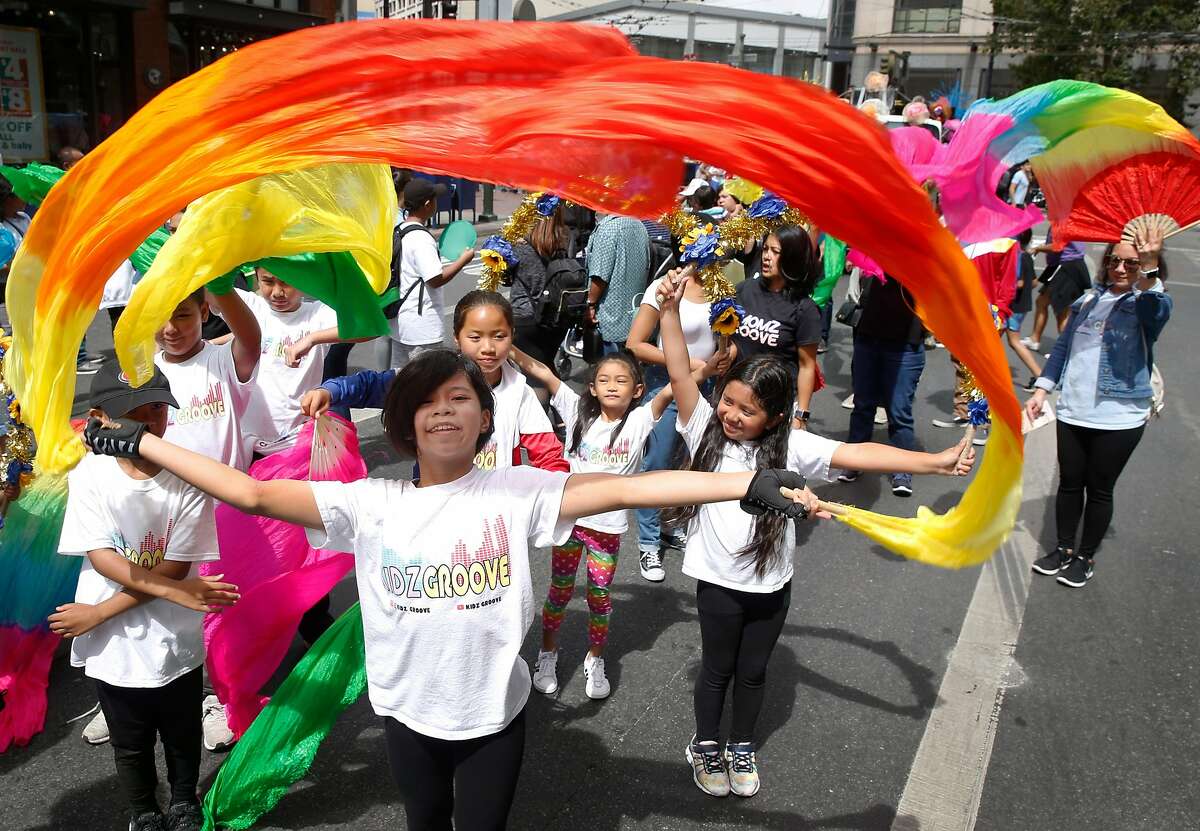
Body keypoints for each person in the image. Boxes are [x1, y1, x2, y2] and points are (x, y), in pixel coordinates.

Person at [82, 348, 809, 831]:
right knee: (426, 822)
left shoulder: (519, 490)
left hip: (494, 714)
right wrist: (141, 441)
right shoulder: (370, 504)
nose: (445, 410)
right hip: (408, 716)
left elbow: (635, 483)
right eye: (428, 401)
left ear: (484, 417)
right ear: (405, 425)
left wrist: (743, 482)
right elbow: (250, 492)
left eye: (460, 397)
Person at [655, 270, 974, 799]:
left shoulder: (792, 448)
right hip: (716, 581)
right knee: (716, 670)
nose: (732, 414)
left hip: (770, 585)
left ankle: (740, 744)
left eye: (747, 410)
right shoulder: (702, 425)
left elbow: (859, 453)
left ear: (776, 417)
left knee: (753, 672)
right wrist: (668, 311)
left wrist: (933, 462)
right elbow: (679, 371)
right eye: (729, 401)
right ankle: (706, 743)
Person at [52, 362, 239, 831]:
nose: (146, 421)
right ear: (100, 418)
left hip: (172, 637)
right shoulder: (90, 476)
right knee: (129, 740)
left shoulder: (186, 476)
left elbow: (177, 564)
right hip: (114, 645)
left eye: (155, 407)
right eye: (129, 411)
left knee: (182, 732)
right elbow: (104, 560)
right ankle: (143, 810)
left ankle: (182, 801)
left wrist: (100, 611)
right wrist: (171, 592)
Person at [513, 347, 726, 701]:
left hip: (606, 530)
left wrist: (707, 370)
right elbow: (544, 372)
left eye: (621, 380)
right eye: (604, 380)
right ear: (592, 388)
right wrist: (510, 352)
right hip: (568, 523)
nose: (612, 386)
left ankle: (595, 659)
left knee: (599, 597)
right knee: (559, 592)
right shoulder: (576, 409)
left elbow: (677, 385)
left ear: (638, 390)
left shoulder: (642, 419)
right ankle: (547, 654)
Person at [1026, 231, 1170, 588]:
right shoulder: (1090, 299)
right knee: (1070, 484)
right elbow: (1063, 349)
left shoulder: (1144, 302)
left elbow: (1157, 313)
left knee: (1100, 488)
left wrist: (1150, 268)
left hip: (1119, 417)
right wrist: (1043, 389)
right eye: (1115, 260)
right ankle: (1061, 548)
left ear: (1144, 266)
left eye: (1131, 263)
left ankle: (1085, 556)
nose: (1120, 268)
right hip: (1074, 409)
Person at [305, 291, 569, 474]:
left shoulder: (517, 392)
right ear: (457, 337)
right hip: (434, 508)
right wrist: (330, 391)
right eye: (475, 337)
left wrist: (557, 492)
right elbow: (371, 386)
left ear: (512, 337)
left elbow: (547, 454)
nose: (488, 348)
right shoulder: (431, 377)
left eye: (499, 336)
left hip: (495, 514)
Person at [626, 268, 719, 581]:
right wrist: (691, 365)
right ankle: (648, 542)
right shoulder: (665, 285)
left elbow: (725, 339)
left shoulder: (723, 285)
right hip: (664, 388)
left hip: (706, 389)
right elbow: (636, 344)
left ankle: (670, 526)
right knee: (656, 465)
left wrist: (725, 358)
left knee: (687, 464)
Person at [237, 267, 368, 456]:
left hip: (299, 440)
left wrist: (313, 338)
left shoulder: (318, 314)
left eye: (286, 282)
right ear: (257, 278)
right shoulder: (250, 308)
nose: (277, 292)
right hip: (250, 441)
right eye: (268, 281)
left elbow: (370, 329)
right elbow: (206, 289)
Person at [839, 271, 927, 496]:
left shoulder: (922, 260)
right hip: (869, 338)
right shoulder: (875, 255)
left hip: (906, 346)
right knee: (863, 405)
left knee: (899, 411)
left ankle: (902, 469)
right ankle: (853, 461)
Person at [731, 225, 822, 431]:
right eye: (765, 249)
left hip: (773, 408)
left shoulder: (804, 309)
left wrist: (801, 416)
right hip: (736, 397)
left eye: (775, 252)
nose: (766, 257)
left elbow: (807, 367)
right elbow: (731, 338)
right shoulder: (744, 289)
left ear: (792, 257)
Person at [381, 178, 475, 369]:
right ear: (427, 204)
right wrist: (462, 261)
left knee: (401, 380)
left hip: (401, 322)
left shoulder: (400, 230)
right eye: (434, 200)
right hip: (422, 327)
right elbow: (435, 279)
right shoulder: (421, 238)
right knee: (426, 381)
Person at [509, 202, 573, 386]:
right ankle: (561, 409)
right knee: (545, 367)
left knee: (536, 377)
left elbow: (506, 277)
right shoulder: (565, 240)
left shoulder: (519, 245)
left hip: (525, 318)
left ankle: (554, 411)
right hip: (555, 317)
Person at [585, 212, 651, 355]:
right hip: (635, 315)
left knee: (611, 367)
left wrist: (590, 304)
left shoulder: (608, 228)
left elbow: (600, 275)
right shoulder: (639, 225)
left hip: (610, 318)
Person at [1024, 230, 1092, 351]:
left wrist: (1038, 248)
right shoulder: (1061, 219)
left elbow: (1057, 246)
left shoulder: (1064, 221)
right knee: (1042, 302)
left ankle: (1064, 350)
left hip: (1067, 267)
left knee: (1062, 313)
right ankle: (1035, 339)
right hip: (1060, 266)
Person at [1005, 228, 1043, 391]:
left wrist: (1001, 287)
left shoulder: (1018, 256)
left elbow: (1019, 283)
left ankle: (1039, 375)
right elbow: (1033, 281)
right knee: (1011, 340)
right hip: (1023, 304)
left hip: (1014, 305)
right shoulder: (1026, 256)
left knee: (1014, 341)